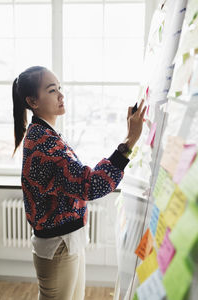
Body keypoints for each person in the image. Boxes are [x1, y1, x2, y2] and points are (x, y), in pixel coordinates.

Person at [12, 65, 146, 300]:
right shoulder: (44, 143)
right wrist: (129, 141)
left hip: (65, 242)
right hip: (58, 246)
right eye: (52, 90)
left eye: (60, 88)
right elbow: (91, 186)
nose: (61, 95)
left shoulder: (46, 133)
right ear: (33, 101)